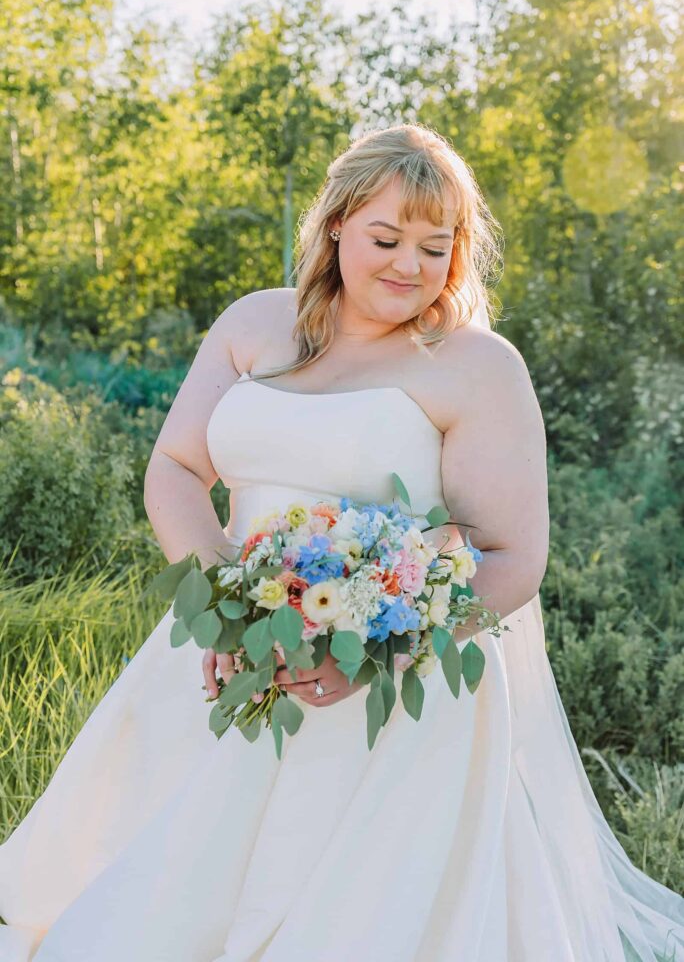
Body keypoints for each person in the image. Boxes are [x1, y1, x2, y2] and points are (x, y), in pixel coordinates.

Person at [0, 123, 681, 961]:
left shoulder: (473, 364)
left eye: (436, 247)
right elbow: (175, 468)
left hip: (396, 686)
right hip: (233, 651)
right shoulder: (255, 325)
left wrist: (376, 653)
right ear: (336, 225)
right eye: (386, 238)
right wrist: (227, 615)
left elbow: (511, 556)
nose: (409, 266)